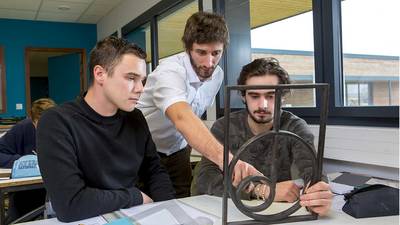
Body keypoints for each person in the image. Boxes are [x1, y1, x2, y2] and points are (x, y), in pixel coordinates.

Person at [36, 37, 175, 222]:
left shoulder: (136, 118)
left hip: (129, 215)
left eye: (142, 80)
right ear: (100, 74)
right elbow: (70, 204)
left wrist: (169, 211)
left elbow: (154, 171)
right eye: (131, 78)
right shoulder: (57, 122)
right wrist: (136, 196)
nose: (141, 88)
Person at [137, 11, 260, 198]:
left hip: (177, 151)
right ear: (188, 48)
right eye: (201, 52)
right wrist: (227, 160)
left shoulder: (216, 75)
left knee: (181, 200)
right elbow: (182, 117)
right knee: (143, 205)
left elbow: (195, 114)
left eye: (216, 53)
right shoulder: (170, 71)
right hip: (141, 151)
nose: (209, 62)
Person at [196, 58, 332, 216]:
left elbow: (312, 170)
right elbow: (205, 179)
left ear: (283, 96)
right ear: (243, 96)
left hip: (276, 213)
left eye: (271, 96)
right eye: (254, 96)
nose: (263, 105)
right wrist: (262, 190)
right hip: (229, 212)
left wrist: (318, 193)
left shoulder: (295, 126)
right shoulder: (225, 126)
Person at [0, 98, 55, 224]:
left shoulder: (62, 127)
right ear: (33, 121)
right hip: (26, 194)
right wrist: (23, 162)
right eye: (40, 124)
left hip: (54, 189)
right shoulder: (22, 129)